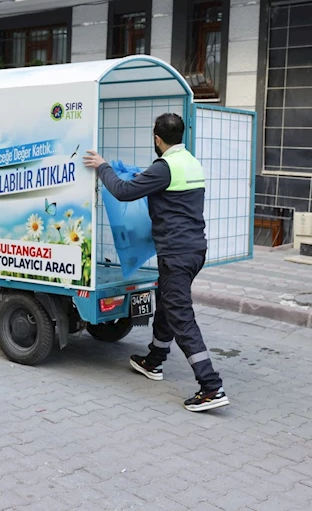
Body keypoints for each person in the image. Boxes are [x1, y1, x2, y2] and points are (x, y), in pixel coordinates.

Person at [83, 113, 229, 412]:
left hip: (176, 253)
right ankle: (154, 361)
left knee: (180, 316)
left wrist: (102, 167)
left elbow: (123, 193)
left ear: (157, 138)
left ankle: (211, 387)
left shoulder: (164, 167)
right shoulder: (189, 161)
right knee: (166, 302)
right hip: (194, 250)